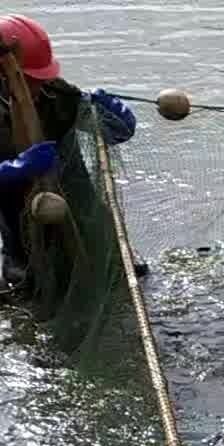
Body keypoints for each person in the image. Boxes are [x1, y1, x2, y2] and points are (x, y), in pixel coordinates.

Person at [0, 14, 135, 285]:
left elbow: (114, 133)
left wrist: (115, 117)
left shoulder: (56, 94)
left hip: (68, 191)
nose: (38, 85)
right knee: (24, 277)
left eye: (42, 77)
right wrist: (14, 170)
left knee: (117, 271)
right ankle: (16, 257)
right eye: (29, 78)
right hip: (13, 205)